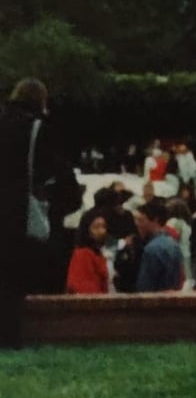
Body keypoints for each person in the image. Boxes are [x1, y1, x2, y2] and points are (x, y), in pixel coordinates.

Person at [0, 78, 81, 348]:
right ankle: (11, 340)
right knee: (14, 287)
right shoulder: (38, 131)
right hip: (19, 218)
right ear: (41, 102)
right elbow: (59, 179)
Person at [134, 201, 183, 292]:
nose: (137, 224)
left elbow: (145, 288)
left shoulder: (151, 250)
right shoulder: (174, 244)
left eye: (141, 220)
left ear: (155, 220)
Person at [65, 214, 110, 294]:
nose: (102, 231)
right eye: (96, 227)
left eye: (104, 227)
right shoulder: (82, 254)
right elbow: (82, 287)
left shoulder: (99, 254)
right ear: (87, 231)